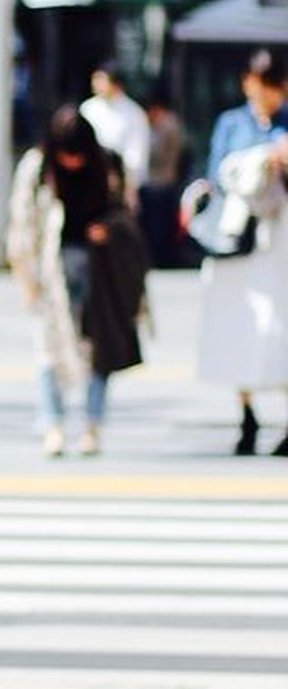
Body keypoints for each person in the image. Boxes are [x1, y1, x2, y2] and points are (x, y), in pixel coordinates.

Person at [8, 106, 149, 458]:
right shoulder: (37, 168)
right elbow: (21, 226)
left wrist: (109, 230)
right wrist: (24, 277)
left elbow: (128, 216)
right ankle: (52, 424)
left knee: (101, 348)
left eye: (78, 154)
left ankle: (92, 425)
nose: (72, 161)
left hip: (101, 272)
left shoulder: (108, 165)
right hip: (50, 271)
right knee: (47, 350)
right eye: (65, 154)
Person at [197, 49, 288, 457]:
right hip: (239, 241)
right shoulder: (232, 123)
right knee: (240, 327)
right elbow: (217, 172)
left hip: (281, 243)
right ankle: (247, 414)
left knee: (279, 330)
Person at [79, 61, 150, 202]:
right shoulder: (87, 109)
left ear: (116, 84)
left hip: (120, 182)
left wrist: (129, 184)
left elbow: (137, 153)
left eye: (101, 80)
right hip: (88, 178)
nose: (96, 84)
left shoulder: (133, 113)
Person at [141, 93, 186, 267]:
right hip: (159, 181)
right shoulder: (166, 124)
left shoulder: (168, 125)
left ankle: (163, 257)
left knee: (161, 224)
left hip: (162, 181)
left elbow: (159, 154)